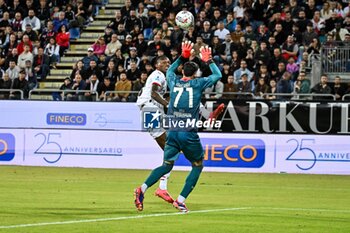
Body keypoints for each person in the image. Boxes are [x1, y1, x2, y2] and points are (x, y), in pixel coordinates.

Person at [134, 41, 222, 212]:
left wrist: (183, 55)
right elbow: (217, 75)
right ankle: (180, 200)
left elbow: (172, 68)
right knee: (197, 165)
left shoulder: (172, 79)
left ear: (181, 71)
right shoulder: (199, 83)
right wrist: (209, 60)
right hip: (187, 131)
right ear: (196, 73)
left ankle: (142, 188)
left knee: (167, 164)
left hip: (172, 129)